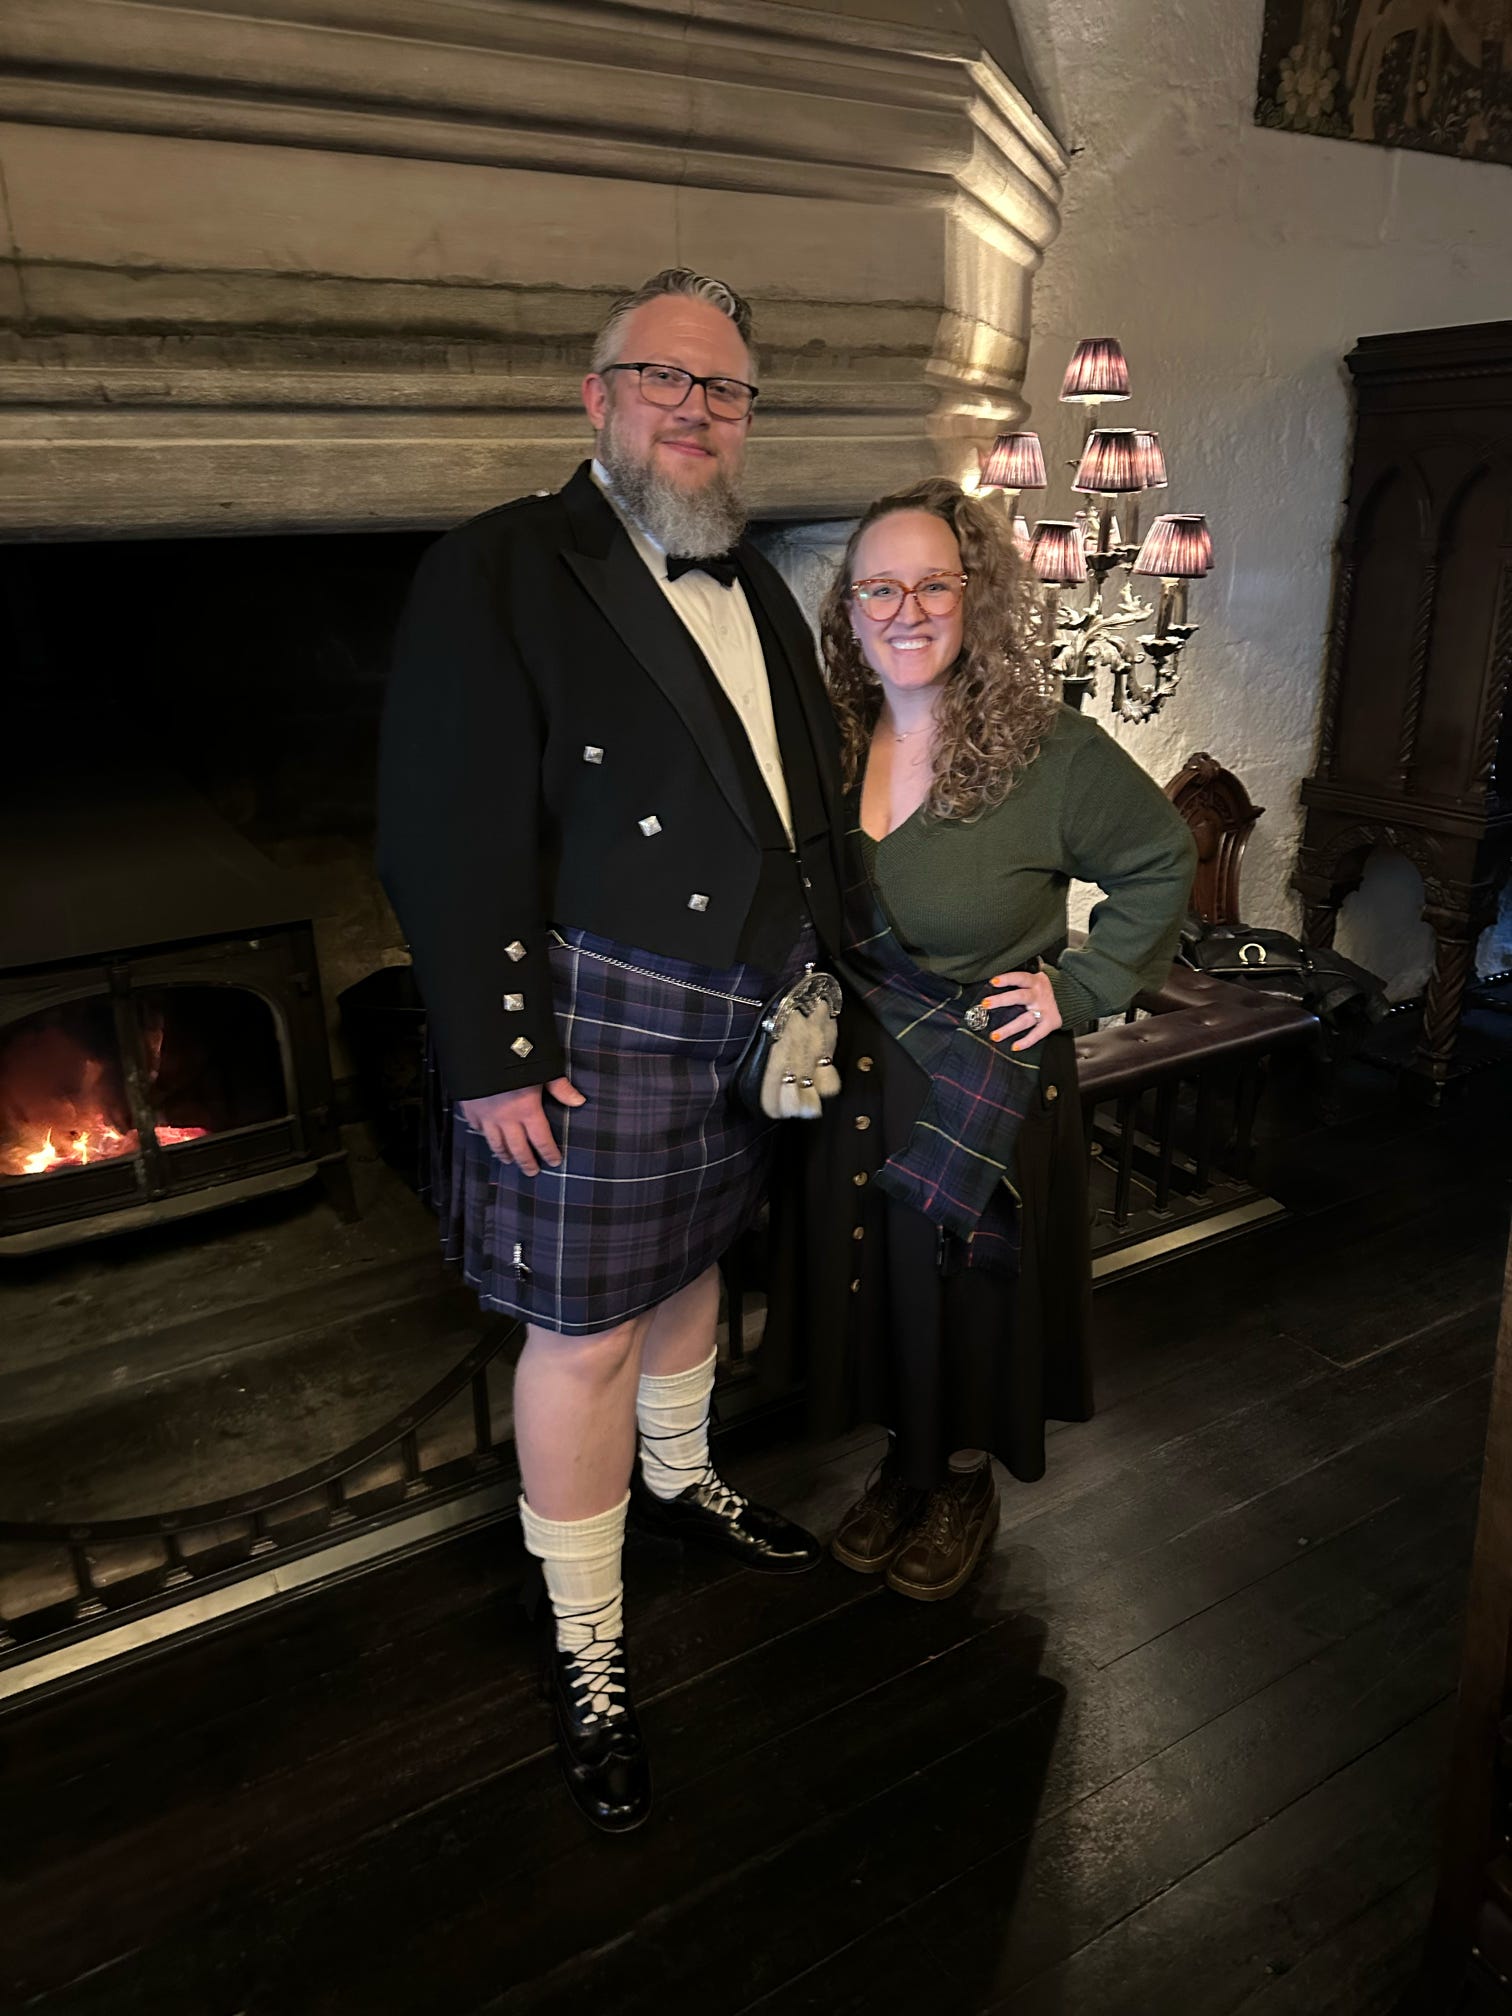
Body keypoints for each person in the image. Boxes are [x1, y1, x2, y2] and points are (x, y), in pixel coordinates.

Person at [377, 269, 845, 1833]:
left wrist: (829, 962)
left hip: (743, 1007)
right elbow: (442, 824)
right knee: (582, 1331)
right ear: (598, 398)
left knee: (696, 1264)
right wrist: (492, 1055)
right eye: (664, 379)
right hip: (590, 1018)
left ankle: (683, 1477)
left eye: (725, 389)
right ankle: (589, 1642)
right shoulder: (500, 566)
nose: (696, 409)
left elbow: (793, 792)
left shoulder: (755, 577)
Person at [794, 477, 1196, 1602]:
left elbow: (1160, 857)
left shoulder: (1048, 751)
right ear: (848, 609)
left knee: (969, 1291)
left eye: (935, 585)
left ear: (977, 598)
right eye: (880, 588)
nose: (906, 610)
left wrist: (1085, 983)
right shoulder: (824, 746)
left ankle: (961, 1478)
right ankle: (903, 1463)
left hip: (986, 1069)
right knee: (880, 1278)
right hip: (855, 1073)